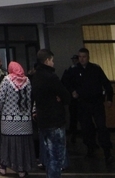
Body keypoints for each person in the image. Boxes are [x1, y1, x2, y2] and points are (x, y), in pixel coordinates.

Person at [64, 48, 113, 164]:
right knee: (86, 128)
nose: (81, 59)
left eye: (84, 57)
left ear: (88, 57)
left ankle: (107, 151)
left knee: (102, 127)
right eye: (80, 57)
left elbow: (106, 84)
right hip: (82, 103)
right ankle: (90, 148)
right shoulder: (74, 70)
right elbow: (66, 83)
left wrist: (109, 99)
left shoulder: (95, 69)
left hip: (96, 102)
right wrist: (72, 91)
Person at [32, 49, 70, 178]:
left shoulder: (35, 77)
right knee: (56, 156)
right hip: (55, 119)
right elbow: (66, 96)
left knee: (48, 154)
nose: (53, 63)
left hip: (43, 120)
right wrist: (59, 98)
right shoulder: (51, 77)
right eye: (52, 60)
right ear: (47, 60)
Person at [0, 61, 34, 177]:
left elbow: (0, 99)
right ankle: (21, 170)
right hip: (25, 121)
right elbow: (31, 98)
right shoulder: (27, 81)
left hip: (8, 120)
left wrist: (2, 112)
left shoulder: (7, 80)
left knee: (7, 144)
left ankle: (3, 168)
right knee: (22, 146)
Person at [60, 55, 80, 144]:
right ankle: (73, 135)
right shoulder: (71, 70)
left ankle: (73, 135)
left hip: (75, 98)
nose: (74, 61)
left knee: (75, 118)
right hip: (75, 98)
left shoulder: (70, 70)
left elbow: (64, 82)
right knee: (74, 118)